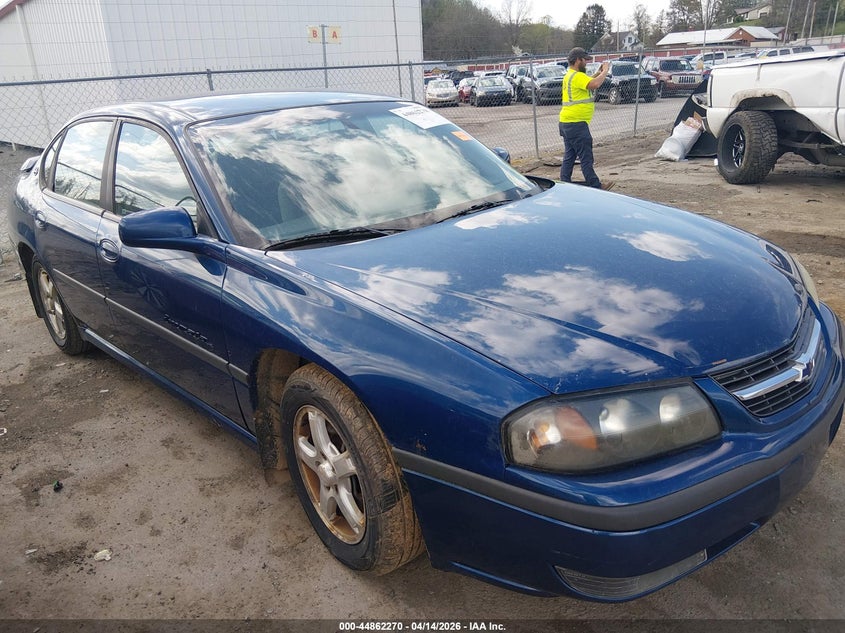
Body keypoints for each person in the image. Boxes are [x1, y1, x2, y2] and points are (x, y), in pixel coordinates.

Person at [559, 47, 612, 190]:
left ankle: (564, 182)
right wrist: (605, 72)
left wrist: (599, 73)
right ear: (577, 60)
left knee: (570, 155)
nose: (586, 63)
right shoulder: (576, 76)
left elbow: (588, 81)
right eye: (584, 60)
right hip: (576, 124)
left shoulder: (570, 75)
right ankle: (595, 185)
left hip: (568, 123)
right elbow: (594, 84)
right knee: (586, 157)